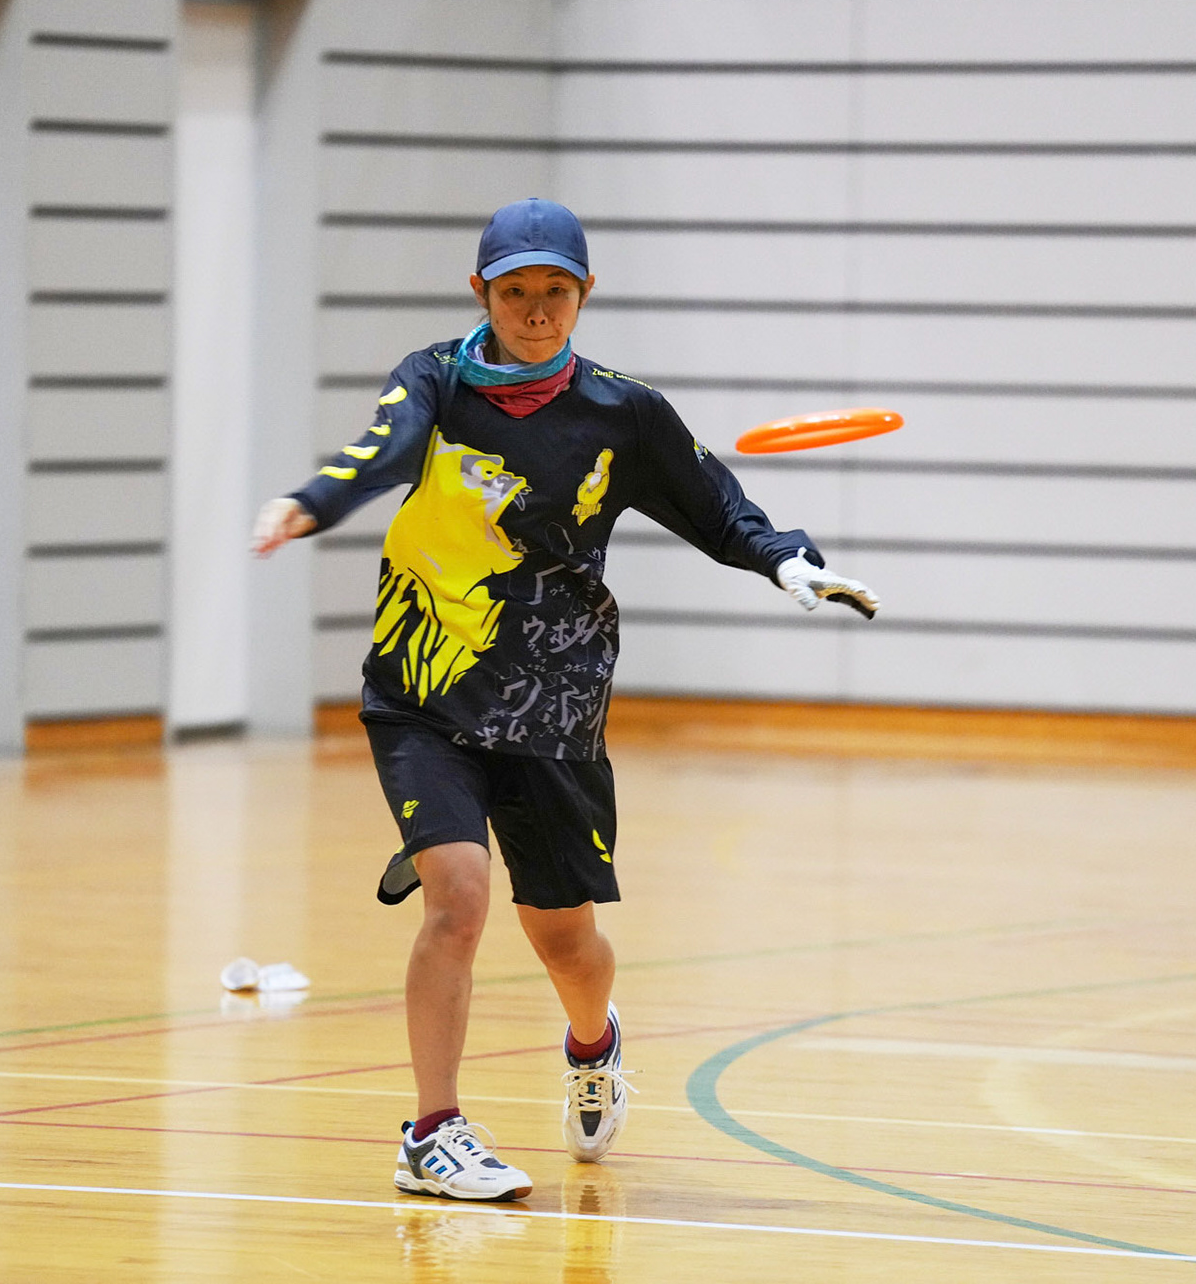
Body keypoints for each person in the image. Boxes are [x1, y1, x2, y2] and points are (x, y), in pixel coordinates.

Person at [251, 197, 879, 1202]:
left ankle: (594, 1040)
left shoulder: (623, 414)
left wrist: (786, 562)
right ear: (480, 293)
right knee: (458, 898)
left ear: (586, 293)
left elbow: (719, 508)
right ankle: (432, 1133)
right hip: (425, 687)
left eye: (556, 291)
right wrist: (311, 502)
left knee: (566, 941)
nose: (536, 311)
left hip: (554, 703)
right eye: (515, 293)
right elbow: (383, 448)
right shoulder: (436, 380)